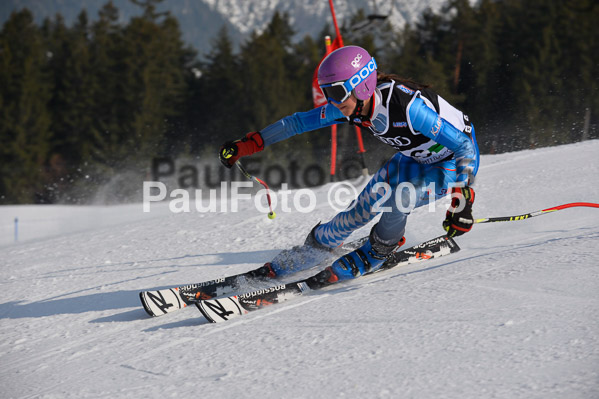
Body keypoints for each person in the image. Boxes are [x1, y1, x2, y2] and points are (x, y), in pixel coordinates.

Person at [219, 45, 479, 284]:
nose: (332, 101)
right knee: (361, 209)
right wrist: (249, 145)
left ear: (361, 86)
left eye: (335, 92)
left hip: (451, 165)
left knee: (400, 198)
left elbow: (463, 146)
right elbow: (297, 123)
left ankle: (379, 250)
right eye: (326, 93)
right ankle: (320, 244)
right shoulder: (350, 105)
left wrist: (462, 201)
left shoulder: (407, 108)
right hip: (413, 159)